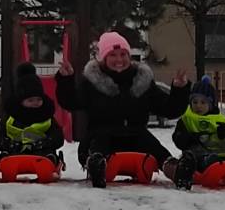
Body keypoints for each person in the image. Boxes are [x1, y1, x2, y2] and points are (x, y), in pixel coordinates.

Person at [55, 31, 191, 188]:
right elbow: (71, 102)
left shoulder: (142, 81)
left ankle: (175, 170)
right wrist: (65, 80)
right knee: (98, 144)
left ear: (129, 56)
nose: (119, 59)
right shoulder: (92, 83)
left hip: (136, 134)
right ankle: (96, 166)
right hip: (101, 135)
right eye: (112, 55)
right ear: (104, 58)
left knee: (154, 146)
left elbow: (169, 109)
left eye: (123, 54)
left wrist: (179, 90)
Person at [172, 75, 225, 189]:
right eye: (195, 102)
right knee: (194, 160)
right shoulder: (187, 119)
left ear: (211, 104)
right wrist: (188, 138)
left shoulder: (220, 119)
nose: (198, 106)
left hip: (224, 156)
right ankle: (206, 166)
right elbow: (178, 138)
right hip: (198, 158)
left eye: (203, 102)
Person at [0, 63, 64, 163]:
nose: (35, 103)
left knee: (47, 155)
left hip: (40, 154)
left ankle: (49, 161)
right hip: (16, 153)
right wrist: (9, 144)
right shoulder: (13, 117)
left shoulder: (45, 115)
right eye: (30, 100)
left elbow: (58, 137)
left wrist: (44, 143)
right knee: (7, 156)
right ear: (21, 101)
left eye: (39, 99)